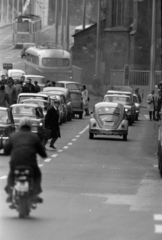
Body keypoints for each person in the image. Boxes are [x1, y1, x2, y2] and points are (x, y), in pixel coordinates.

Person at [4, 117, 47, 203]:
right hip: (30, 164)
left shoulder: (14, 136)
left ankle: (9, 193)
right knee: (37, 174)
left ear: (20, 125)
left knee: (11, 175)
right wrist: (44, 155)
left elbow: (6, 151)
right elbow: (42, 152)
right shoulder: (34, 137)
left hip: (15, 163)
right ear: (30, 125)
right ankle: (35, 193)